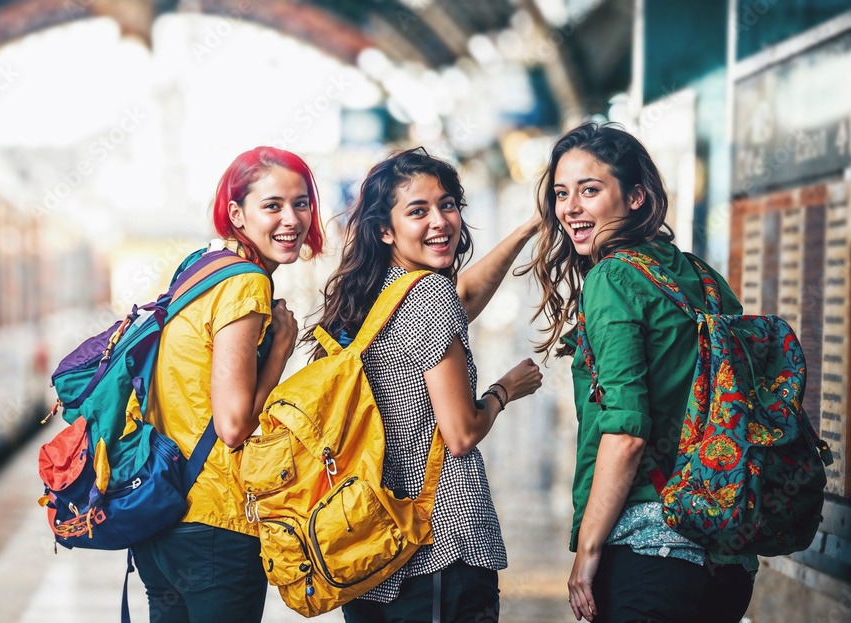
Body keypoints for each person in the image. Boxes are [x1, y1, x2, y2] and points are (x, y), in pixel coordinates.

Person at [519, 122, 755, 623]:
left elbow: (625, 433)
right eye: (562, 194)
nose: (571, 208)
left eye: (590, 190)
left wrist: (587, 552)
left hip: (650, 551)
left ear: (636, 197)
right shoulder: (701, 277)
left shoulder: (613, 277)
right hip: (727, 554)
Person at [306, 147, 543, 622]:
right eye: (418, 210)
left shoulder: (368, 299)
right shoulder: (429, 297)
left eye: (448, 204)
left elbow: (460, 300)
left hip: (370, 551)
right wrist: (504, 390)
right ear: (385, 229)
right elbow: (461, 434)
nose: (440, 220)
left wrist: (526, 229)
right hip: (441, 542)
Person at [131, 146, 325, 622]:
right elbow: (234, 425)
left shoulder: (200, 268)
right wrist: (280, 348)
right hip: (215, 522)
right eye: (273, 205)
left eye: (301, 203)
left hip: (162, 514)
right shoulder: (246, 285)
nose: (292, 219)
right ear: (237, 214)